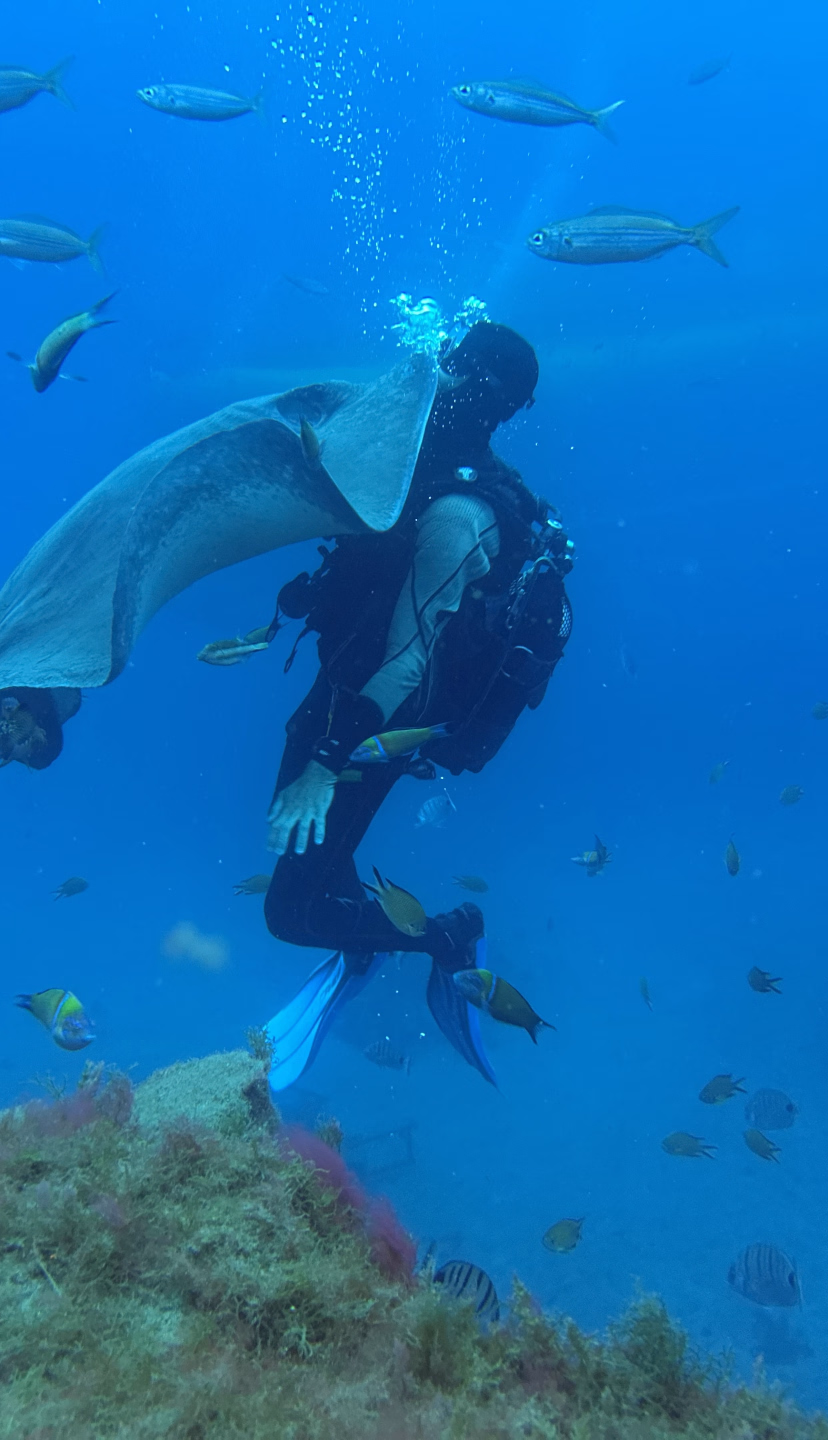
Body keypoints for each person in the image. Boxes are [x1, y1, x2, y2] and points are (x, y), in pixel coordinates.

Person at [260, 321, 573, 1089]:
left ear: (489, 398)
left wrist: (327, 766)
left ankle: (447, 937)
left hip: (374, 728)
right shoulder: (412, 467)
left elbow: (406, 661)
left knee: (290, 913)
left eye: (461, 371)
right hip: (335, 700)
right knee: (310, 872)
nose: (443, 379)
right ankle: (360, 927)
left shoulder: (461, 513)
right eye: (448, 363)